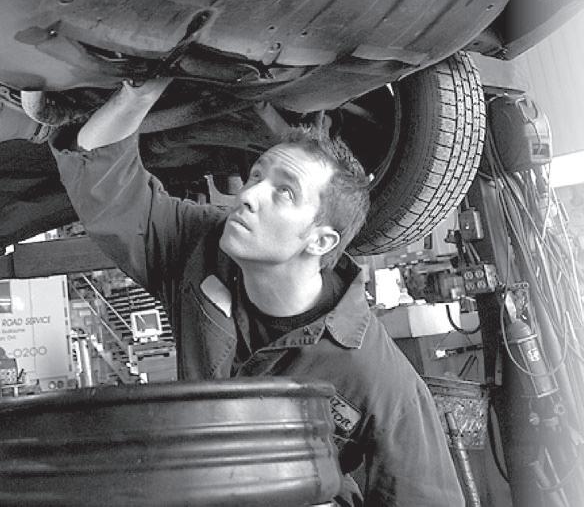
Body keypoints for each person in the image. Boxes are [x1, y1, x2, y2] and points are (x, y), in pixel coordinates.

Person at [49, 79, 464, 506]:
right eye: (256, 176)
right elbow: (108, 188)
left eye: (284, 192)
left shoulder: (379, 378)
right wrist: (136, 94)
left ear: (320, 241)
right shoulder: (200, 248)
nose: (248, 195)